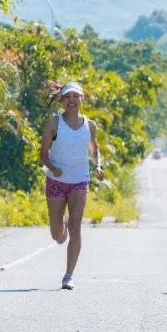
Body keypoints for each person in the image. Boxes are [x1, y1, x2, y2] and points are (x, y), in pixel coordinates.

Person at [39, 82, 105, 291]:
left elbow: (95, 149)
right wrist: (52, 167)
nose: (72, 100)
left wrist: (98, 166)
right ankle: (62, 227)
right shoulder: (53, 124)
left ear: (82, 100)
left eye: (76, 96)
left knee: (76, 226)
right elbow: (42, 153)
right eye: (68, 97)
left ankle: (68, 275)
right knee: (57, 236)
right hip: (56, 181)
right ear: (62, 100)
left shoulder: (90, 125)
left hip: (79, 180)